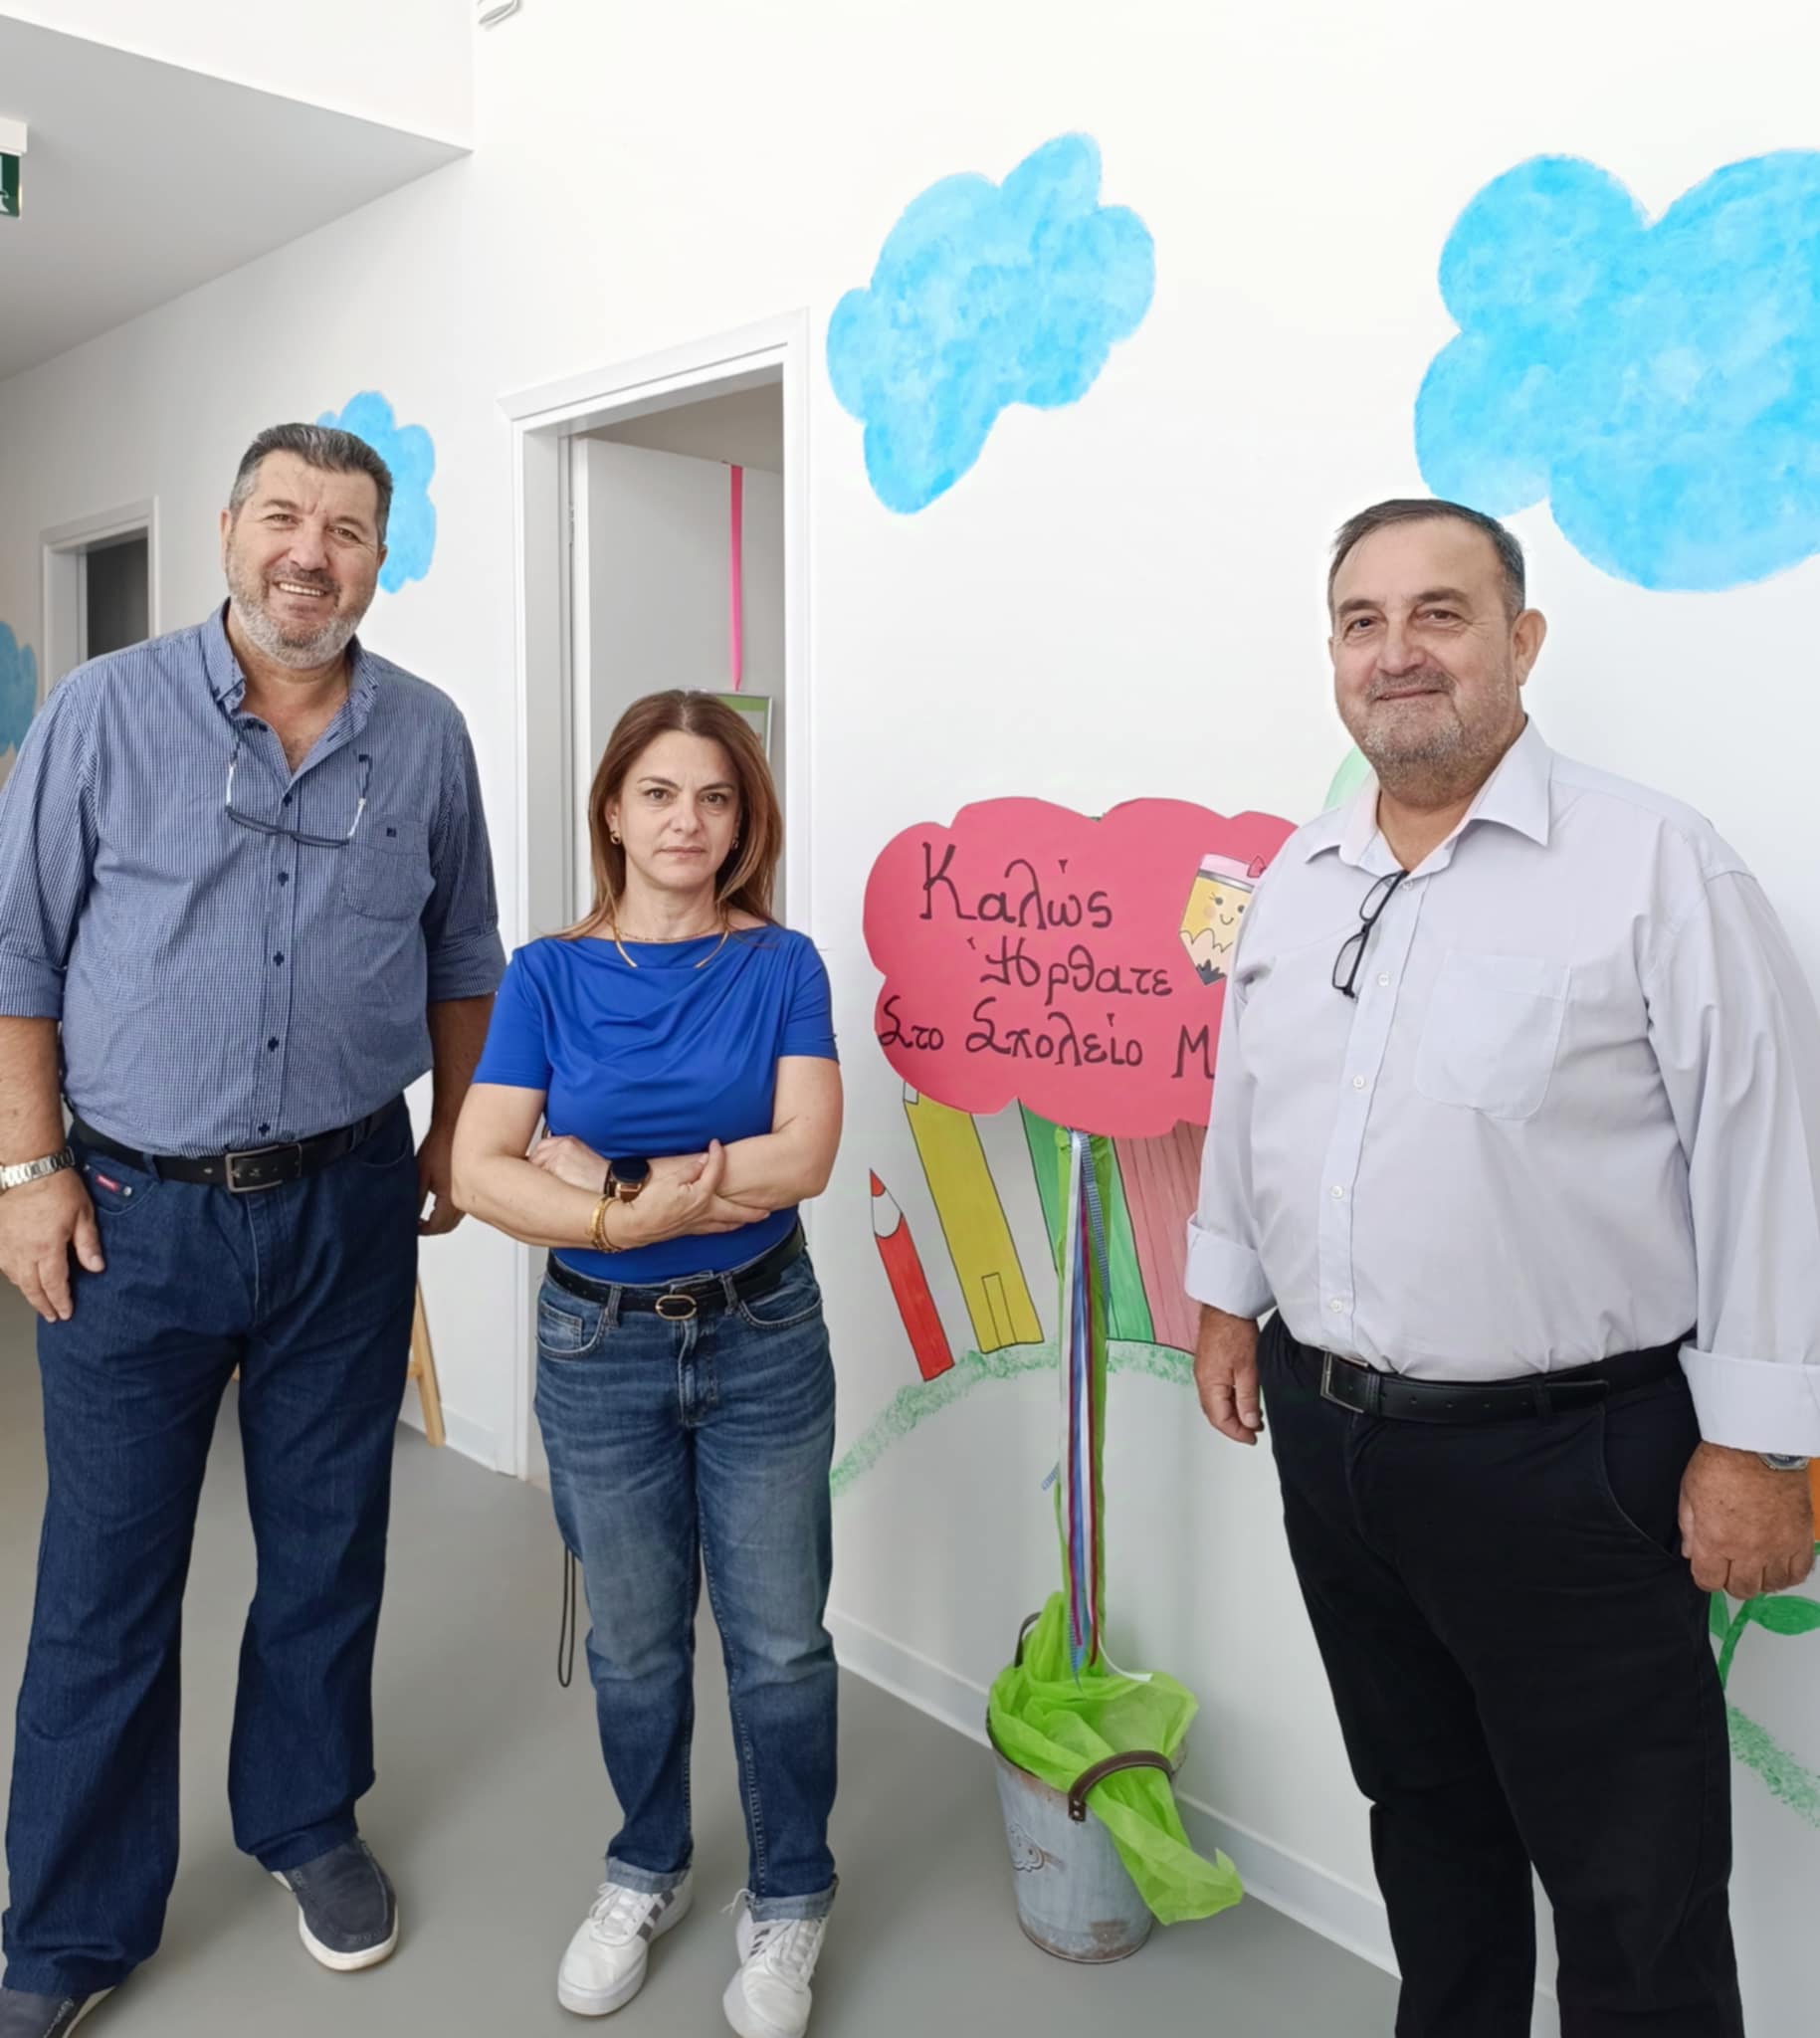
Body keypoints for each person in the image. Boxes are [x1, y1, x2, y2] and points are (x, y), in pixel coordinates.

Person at [1187, 498, 1820, 2038]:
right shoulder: (1302, 873)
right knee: (1422, 1815)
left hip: (1569, 1466)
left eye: (1438, 614)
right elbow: (1252, 1104)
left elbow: (1770, 1156)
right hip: (1333, 1442)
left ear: (1519, 641)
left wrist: (1757, 1449)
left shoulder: (1656, 865)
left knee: (1633, 1886)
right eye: (1361, 622)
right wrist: (1223, 1298)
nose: (1394, 652)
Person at [0, 424, 504, 2037]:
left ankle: (305, 1821)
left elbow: (465, 954)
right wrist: (27, 1172)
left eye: (346, 529)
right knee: (104, 1575)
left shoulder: (425, 736)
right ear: (227, 531)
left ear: (378, 560)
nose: (310, 552)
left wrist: (456, 1131)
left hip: (349, 1204)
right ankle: (67, 1924)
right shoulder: (102, 714)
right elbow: (18, 958)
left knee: (327, 1543)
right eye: (283, 516)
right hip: (129, 1214)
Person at [452, 690, 842, 2038]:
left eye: (716, 798)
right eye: (661, 794)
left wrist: (601, 1177)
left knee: (780, 1643)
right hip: (596, 1347)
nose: (689, 821)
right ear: (612, 812)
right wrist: (633, 1216)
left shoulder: (783, 965)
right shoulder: (547, 975)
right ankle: (646, 1868)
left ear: (743, 824)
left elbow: (807, 1157)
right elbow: (479, 1170)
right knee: (630, 1642)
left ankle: (790, 1898)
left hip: (764, 1331)